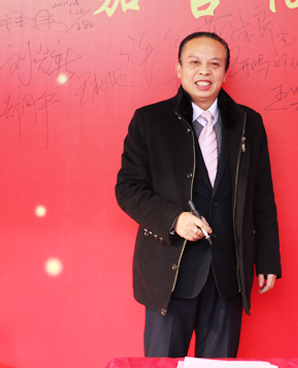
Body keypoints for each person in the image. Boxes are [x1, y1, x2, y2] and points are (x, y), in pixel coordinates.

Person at [116, 31, 281, 358]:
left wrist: (267, 259)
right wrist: (174, 220)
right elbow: (128, 188)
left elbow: (261, 196)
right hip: (170, 273)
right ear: (179, 68)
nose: (204, 71)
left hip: (228, 273)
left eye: (214, 64)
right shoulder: (150, 121)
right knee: (163, 365)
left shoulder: (249, 123)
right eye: (194, 62)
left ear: (225, 72)